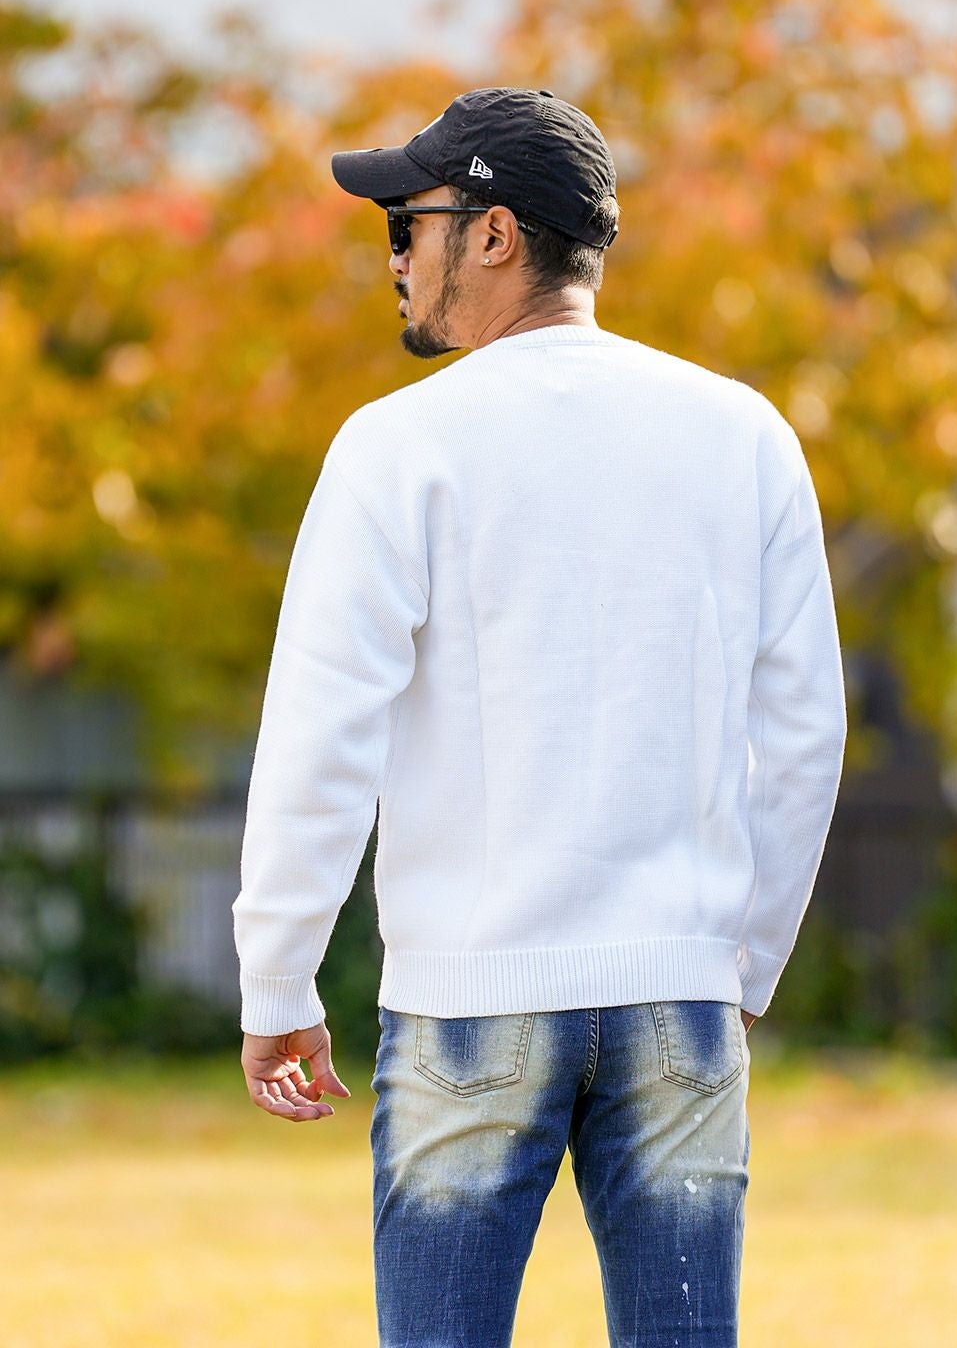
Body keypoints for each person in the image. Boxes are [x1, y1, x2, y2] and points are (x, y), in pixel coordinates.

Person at [232, 85, 848, 1347]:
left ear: (495, 232)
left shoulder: (398, 446)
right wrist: (739, 965)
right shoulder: (743, 436)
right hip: (678, 993)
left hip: (471, 995)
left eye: (406, 225)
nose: (394, 258)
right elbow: (802, 735)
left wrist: (279, 973)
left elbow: (320, 732)